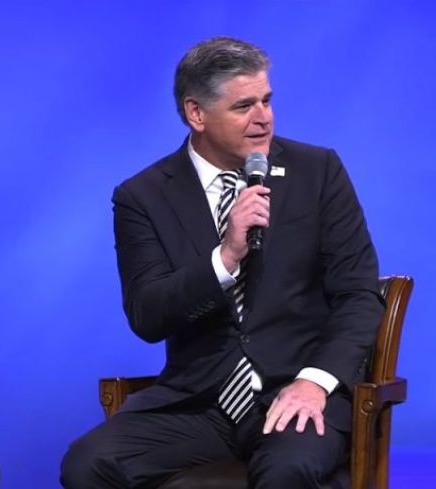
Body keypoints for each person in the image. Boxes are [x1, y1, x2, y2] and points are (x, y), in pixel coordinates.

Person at [60, 37, 384, 488]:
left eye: (267, 101)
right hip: (198, 403)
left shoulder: (318, 171)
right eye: (244, 106)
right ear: (196, 114)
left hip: (297, 391)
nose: (263, 118)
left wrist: (315, 381)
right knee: (86, 464)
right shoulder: (144, 196)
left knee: (289, 470)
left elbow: (359, 295)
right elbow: (148, 315)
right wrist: (225, 257)